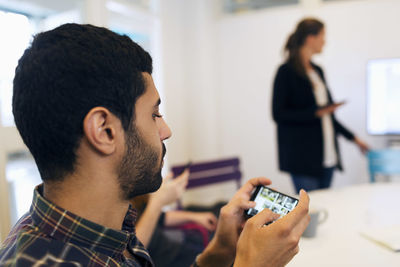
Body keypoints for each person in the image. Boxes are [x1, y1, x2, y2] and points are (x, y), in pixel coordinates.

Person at [0, 23, 310, 267]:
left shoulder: (104, 228)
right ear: (105, 130)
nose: (166, 130)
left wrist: (221, 252)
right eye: (154, 114)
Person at [272, 18, 369, 192]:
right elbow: (278, 114)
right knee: (308, 211)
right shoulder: (286, 72)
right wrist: (314, 113)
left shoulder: (318, 71)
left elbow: (328, 115)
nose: (324, 41)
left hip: (327, 155)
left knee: (326, 207)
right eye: (322, 36)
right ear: (310, 38)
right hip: (303, 158)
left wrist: (355, 139)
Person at [132, 169, 218, 267]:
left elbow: (160, 217)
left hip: (173, 249)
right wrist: (157, 202)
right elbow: (132, 250)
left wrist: (196, 217)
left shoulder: (133, 193)